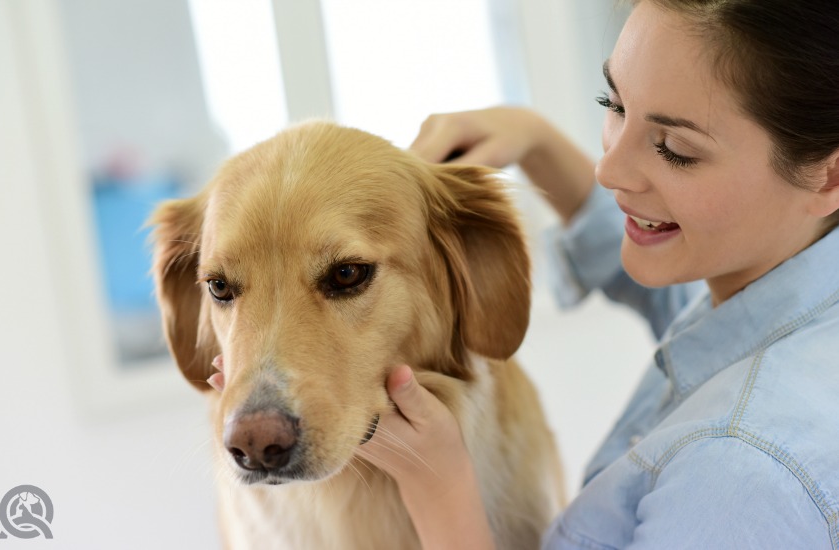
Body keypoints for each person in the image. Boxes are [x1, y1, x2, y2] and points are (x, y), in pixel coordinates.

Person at [356, 0, 839, 548]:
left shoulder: (740, 474)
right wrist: (534, 139)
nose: (607, 170)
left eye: (674, 149)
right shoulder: (783, 276)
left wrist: (440, 488)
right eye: (613, 104)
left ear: (828, 176)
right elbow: (674, 296)